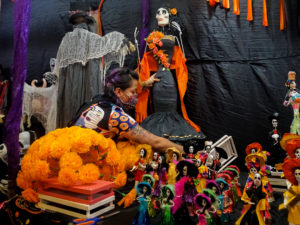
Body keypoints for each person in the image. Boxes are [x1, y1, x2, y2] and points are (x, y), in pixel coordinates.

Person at [136, 6, 205, 145]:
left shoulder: (175, 33)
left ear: (169, 16)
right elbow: (145, 58)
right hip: (157, 80)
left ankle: (172, 142)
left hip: (169, 80)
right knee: (158, 109)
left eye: (164, 13)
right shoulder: (151, 35)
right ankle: (159, 141)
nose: (161, 15)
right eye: (158, 13)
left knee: (171, 108)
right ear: (155, 17)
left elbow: (181, 56)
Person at [74, 67, 183, 154]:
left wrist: (144, 84)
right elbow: (156, 142)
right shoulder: (116, 116)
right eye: (133, 92)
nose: (136, 96)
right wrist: (183, 150)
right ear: (119, 91)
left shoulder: (97, 100)